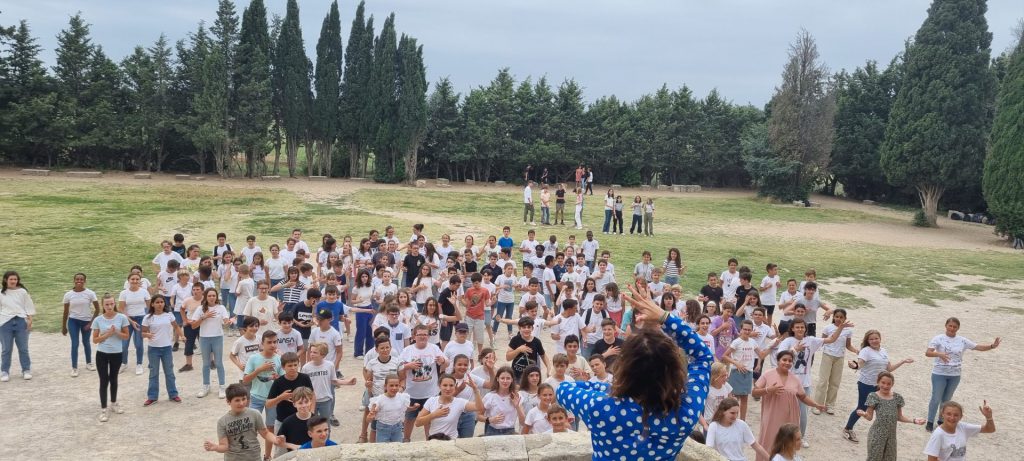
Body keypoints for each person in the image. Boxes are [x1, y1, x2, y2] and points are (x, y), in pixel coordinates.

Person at [556, 282, 713, 460]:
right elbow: (703, 357)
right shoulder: (684, 414)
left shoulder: (599, 406)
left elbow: (563, 390)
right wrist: (665, 317)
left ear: (624, 368)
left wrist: (609, 390)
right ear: (674, 372)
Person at [924, 317, 1000, 432]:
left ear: (958, 328)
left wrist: (991, 346)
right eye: (950, 326)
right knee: (936, 398)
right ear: (946, 326)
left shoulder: (962, 340)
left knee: (946, 400)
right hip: (939, 373)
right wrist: (939, 354)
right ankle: (930, 422)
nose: (952, 328)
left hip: (955, 375)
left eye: (955, 326)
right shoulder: (938, 338)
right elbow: (928, 353)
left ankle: (941, 421)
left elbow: (977, 347)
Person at [751, 350, 826, 461]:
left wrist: (816, 404)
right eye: (784, 360)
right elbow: (754, 392)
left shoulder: (795, 379)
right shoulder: (768, 374)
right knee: (769, 440)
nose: (787, 363)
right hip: (772, 416)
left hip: (790, 418)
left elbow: (803, 397)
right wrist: (768, 390)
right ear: (778, 361)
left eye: (790, 361)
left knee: (788, 443)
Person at [843, 330, 914, 443]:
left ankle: (880, 432)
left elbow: (889, 369)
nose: (874, 341)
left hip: (879, 386)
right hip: (866, 384)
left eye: (876, 338)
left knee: (880, 408)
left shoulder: (884, 351)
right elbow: (859, 364)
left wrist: (903, 361)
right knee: (862, 407)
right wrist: (854, 366)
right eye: (871, 339)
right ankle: (848, 428)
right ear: (867, 341)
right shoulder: (865, 351)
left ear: (880, 339)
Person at [856, 372, 926, 461]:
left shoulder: (897, 397)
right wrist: (864, 414)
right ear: (878, 382)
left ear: (892, 384)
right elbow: (869, 417)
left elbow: (899, 417)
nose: (885, 386)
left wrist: (914, 420)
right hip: (877, 435)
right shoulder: (873, 396)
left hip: (891, 437)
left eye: (889, 383)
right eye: (883, 383)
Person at [203, 383, 284, 459]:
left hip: (254, 457)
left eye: (243, 399)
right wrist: (215, 447)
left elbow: (265, 433)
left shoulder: (255, 414)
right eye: (237, 400)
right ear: (228, 402)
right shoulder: (222, 421)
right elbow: (224, 446)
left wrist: (275, 439)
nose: (241, 403)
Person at [399, 324, 448, 442]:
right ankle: (406, 440)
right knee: (409, 418)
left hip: (431, 393)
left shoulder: (434, 348)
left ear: (428, 336)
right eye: (420, 334)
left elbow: (447, 363)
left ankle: (429, 441)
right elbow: (398, 368)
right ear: (414, 336)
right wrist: (408, 366)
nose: (422, 337)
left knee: (429, 419)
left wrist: (443, 361)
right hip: (412, 393)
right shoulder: (407, 350)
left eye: (425, 334)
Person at [91, 293, 130, 421]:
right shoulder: (98, 320)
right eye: (107, 304)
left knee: (114, 378)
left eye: (111, 303)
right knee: (104, 380)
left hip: (117, 353)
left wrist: (116, 332)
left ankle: (113, 403)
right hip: (102, 354)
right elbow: (95, 340)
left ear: (115, 304)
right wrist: (107, 334)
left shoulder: (121, 318)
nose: (109, 306)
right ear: (103, 305)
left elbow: (126, 336)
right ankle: (103, 409)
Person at [189, 288, 233, 399]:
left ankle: (222, 386)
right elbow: (194, 326)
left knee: (218, 363)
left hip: (217, 337)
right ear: (206, 297)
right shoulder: (200, 309)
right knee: (206, 364)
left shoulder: (221, 307)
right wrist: (204, 317)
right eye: (209, 295)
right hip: (204, 338)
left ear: (216, 297)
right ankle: (206, 386)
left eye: (214, 295)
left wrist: (228, 321)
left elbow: (225, 321)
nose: (212, 297)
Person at [813, 309, 858, 415]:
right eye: (836, 316)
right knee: (823, 381)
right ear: (833, 317)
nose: (838, 319)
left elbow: (848, 345)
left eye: (841, 317)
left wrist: (857, 351)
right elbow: (821, 342)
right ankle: (818, 405)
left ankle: (830, 405)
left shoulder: (848, 331)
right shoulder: (828, 328)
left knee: (834, 383)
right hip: (827, 356)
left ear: (845, 319)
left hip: (839, 358)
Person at [415, 373, 485, 440]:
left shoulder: (459, 402)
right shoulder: (431, 401)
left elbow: (479, 408)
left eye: (451, 385)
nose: (448, 388)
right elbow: (418, 423)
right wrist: (434, 415)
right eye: (445, 385)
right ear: (439, 386)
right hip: (434, 440)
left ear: (455, 386)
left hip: (452, 441)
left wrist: (475, 389)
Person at [141, 296, 182, 406]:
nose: (160, 304)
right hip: (153, 348)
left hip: (167, 348)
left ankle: (173, 394)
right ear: (153, 304)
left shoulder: (169, 315)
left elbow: (176, 326)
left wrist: (182, 336)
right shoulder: (148, 318)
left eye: (162, 302)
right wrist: (147, 334)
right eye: (157, 302)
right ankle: (152, 396)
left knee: (169, 372)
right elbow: (142, 332)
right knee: (153, 373)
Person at [923, 400, 996, 461]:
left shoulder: (963, 427)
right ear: (942, 415)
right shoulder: (938, 435)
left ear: (961, 417)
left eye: (956, 415)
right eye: (949, 414)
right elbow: (931, 459)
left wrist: (989, 417)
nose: (952, 418)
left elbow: (990, 429)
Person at [63, 273, 100, 377]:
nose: (79, 281)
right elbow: (65, 312)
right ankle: (74, 367)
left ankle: (89, 363)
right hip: (73, 321)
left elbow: (97, 309)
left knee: (86, 342)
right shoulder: (68, 295)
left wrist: (91, 323)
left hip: (86, 321)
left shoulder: (90, 293)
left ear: (85, 281)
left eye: (81, 279)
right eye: (77, 279)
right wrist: (64, 326)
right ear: (74, 280)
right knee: (75, 343)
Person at [118, 272, 151, 375]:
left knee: (138, 343)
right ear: (128, 281)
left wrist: (146, 319)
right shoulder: (124, 293)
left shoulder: (144, 292)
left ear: (140, 281)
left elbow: (149, 307)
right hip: (127, 319)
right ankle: (124, 363)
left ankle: (139, 364)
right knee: (124, 344)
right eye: (132, 279)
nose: (135, 281)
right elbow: (121, 308)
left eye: (137, 279)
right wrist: (130, 321)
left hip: (141, 319)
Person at [368, 374, 416, 443]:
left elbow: (404, 409)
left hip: (398, 428)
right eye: (391, 385)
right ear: (385, 386)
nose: (394, 388)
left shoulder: (401, 397)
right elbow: (369, 419)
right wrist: (371, 416)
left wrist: (413, 408)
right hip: (383, 428)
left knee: (397, 448)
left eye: (396, 385)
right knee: (383, 449)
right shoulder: (379, 400)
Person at [481, 366, 524, 436]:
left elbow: (523, 422)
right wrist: (490, 419)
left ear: (512, 380)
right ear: (497, 379)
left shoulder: (517, 396)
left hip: (510, 432)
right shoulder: (490, 396)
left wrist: (517, 407)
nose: (505, 381)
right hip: (492, 431)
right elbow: (478, 416)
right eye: (502, 378)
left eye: (508, 378)